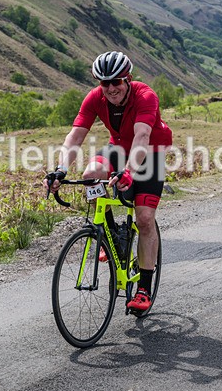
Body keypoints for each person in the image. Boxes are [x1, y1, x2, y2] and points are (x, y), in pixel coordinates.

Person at [45, 51, 172, 313]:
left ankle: (144, 290)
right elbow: (75, 137)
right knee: (92, 174)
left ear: (128, 79)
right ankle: (113, 234)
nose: (111, 88)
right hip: (118, 149)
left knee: (145, 219)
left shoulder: (145, 96)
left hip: (150, 152)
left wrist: (128, 172)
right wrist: (60, 169)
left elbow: (142, 136)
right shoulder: (95, 98)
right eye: (105, 83)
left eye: (116, 82)